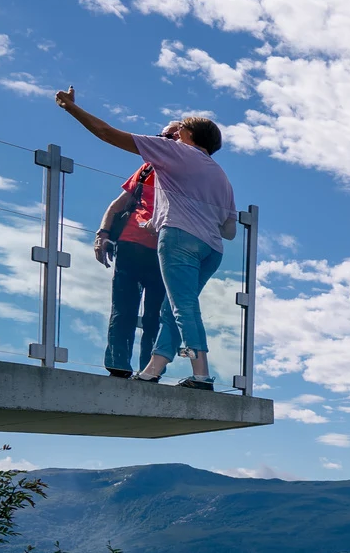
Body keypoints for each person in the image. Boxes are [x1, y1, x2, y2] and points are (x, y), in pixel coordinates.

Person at [55, 89, 237, 389]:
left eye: (177, 133)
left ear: (189, 135)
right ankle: (153, 369)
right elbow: (228, 230)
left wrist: (69, 107)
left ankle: (202, 374)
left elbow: (106, 133)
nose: (171, 138)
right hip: (211, 252)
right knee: (171, 308)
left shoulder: (177, 152)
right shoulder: (221, 176)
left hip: (179, 242)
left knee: (183, 308)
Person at [94, 121, 180, 378]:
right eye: (163, 137)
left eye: (174, 138)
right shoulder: (146, 169)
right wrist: (103, 234)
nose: (166, 142)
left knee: (158, 315)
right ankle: (118, 367)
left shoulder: (187, 174)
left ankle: (148, 372)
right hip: (131, 244)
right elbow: (117, 205)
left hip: (164, 251)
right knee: (123, 309)